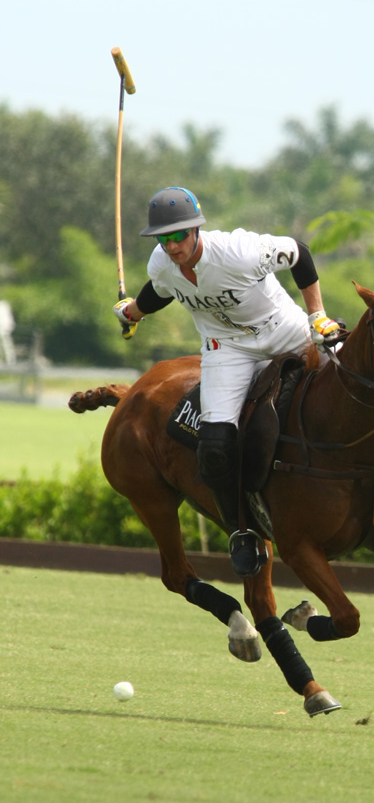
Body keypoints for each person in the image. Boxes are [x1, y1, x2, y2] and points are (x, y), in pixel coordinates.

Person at [113, 186, 341, 577]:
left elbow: (299, 252)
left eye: (178, 235)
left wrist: (317, 315)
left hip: (283, 330)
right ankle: (243, 532)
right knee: (215, 446)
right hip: (226, 348)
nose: (171, 246)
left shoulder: (239, 250)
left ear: (196, 229)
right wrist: (133, 311)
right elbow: (162, 291)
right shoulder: (161, 264)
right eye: (163, 238)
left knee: (349, 387)